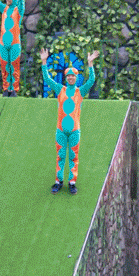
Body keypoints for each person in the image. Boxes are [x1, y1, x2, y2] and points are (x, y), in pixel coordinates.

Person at [46, 50, 98, 193]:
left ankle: (72, 182)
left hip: (75, 131)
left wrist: (90, 63)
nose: (70, 78)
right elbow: (47, 79)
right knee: (61, 155)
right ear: (65, 77)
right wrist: (44, 62)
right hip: (60, 130)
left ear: (76, 78)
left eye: (72, 76)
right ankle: (58, 181)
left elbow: (92, 80)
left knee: (73, 157)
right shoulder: (60, 89)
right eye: (68, 76)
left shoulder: (80, 91)